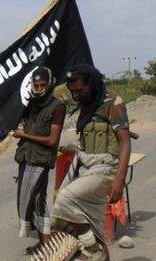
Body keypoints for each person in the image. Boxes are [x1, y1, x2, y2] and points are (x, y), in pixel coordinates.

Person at [52, 64, 131, 260]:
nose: (76, 94)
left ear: (92, 84)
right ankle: (97, 250)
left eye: (79, 89)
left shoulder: (112, 102)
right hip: (87, 167)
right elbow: (88, 141)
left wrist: (119, 179)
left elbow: (125, 141)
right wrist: (75, 148)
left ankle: (92, 249)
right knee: (80, 225)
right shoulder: (87, 105)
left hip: (106, 169)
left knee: (65, 199)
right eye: (72, 91)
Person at [11, 67, 66, 255]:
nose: (40, 87)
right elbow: (20, 122)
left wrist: (24, 135)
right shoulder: (31, 104)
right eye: (36, 84)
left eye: (43, 84)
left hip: (41, 161)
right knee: (29, 202)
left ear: (50, 84)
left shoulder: (57, 106)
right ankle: (43, 242)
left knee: (38, 200)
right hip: (26, 157)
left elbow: (52, 140)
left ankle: (46, 244)